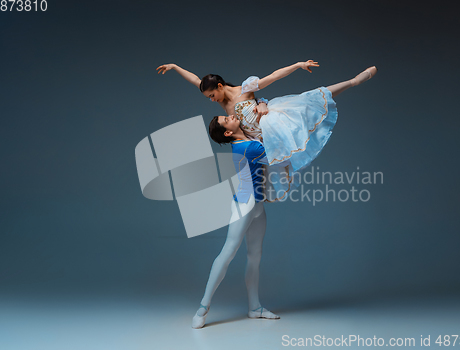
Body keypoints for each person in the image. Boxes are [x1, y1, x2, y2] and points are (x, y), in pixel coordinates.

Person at [156, 60, 377, 200]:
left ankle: (352, 81)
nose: (212, 101)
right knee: (272, 175)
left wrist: (297, 65)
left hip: (271, 125)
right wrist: (175, 67)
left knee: (308, 100)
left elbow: (273, 76)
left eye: (212, 95)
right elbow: (196, 79)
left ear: (220, 87)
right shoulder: (222, 104)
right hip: (259, 140)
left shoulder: (245, 89)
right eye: (209, 97)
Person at [191, 114, 284, 329]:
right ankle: (203, 308)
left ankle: (255, 307)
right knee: (228, 251)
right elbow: (280, 155)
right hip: (245, 204)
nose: (232, 115)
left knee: (255, 256)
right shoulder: (248, 148)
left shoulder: (246, 141)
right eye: (227, 119)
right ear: (227, 132)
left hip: (258, 205)